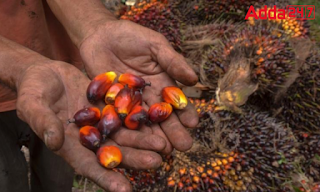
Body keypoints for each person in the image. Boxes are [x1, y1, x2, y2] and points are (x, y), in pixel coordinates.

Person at [0, 0, 199, 192]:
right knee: (8, 180)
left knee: (57, 176)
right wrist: (19, 65)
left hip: (59, 81)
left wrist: (95, 24)